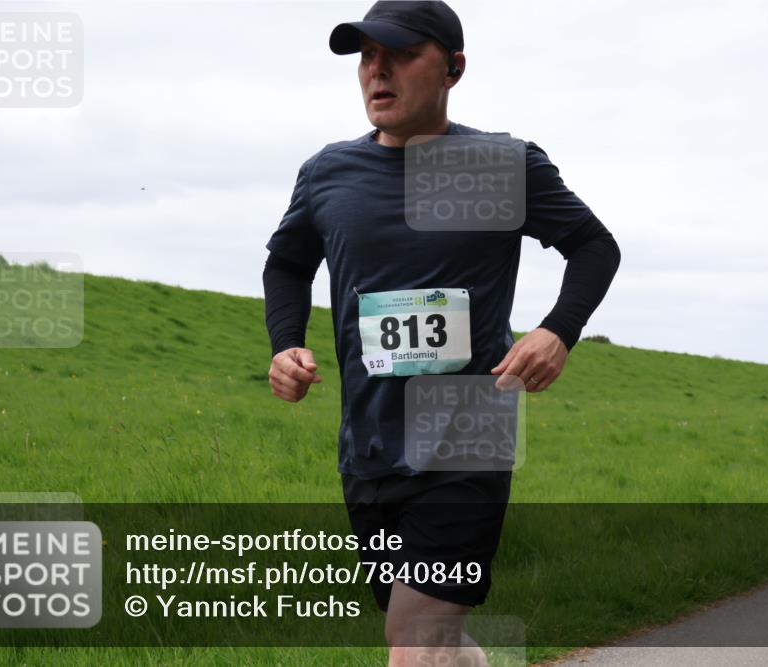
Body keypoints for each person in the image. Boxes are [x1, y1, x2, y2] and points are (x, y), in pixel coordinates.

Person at [262, 2, 620, 664]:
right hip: (367, 445)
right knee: (429, 638)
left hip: (466, 438)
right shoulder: (328, 173)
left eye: (399, 54)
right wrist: (284, 343)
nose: (378, 70)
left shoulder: (498, 164)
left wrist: (558, 331)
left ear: (453, 68)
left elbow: (594, 246)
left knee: (415, 644)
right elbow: (287, 263)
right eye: (367, 56)